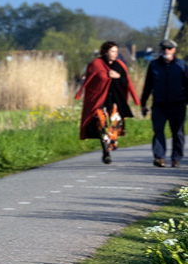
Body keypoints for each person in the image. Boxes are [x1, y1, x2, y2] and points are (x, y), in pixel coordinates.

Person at [75, 40, 139, 164]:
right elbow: (90, 79)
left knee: (116, 122)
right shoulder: (96, 64)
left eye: (116, 51)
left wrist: (118, 76)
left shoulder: (120, 65)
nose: (115, 54)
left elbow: (126, 83)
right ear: (105, 52)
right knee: (101, 124)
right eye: (113, 51)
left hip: (115, 100)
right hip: (99, 100)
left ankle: (113, 141)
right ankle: (106, 153)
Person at [141, 38, 188, 167]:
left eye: (169, 48)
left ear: (174, 50)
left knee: (178, 133)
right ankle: (159, 157)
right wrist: (143, 103)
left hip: (177, 104)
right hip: (159, 104)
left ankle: (176, 158)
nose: (166, 50)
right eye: (163, 48)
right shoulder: (154, 65)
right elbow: (148, 85)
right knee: (158, 130)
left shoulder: (182, 65)